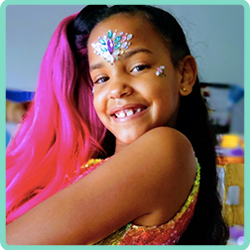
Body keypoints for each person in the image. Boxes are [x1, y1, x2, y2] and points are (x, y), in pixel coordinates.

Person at [6, 5, 229, 245]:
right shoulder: (95, 165)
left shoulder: (164, 148)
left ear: (184, 74)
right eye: (101, 79)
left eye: (138, 67)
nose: (116, 89)